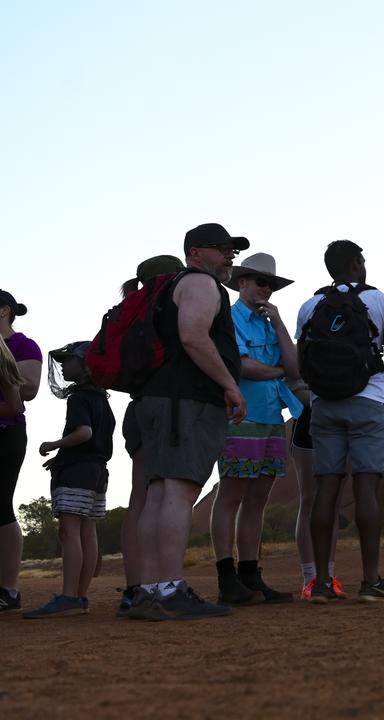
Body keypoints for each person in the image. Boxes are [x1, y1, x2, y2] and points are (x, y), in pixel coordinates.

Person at [128, 223, 248, 620]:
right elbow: (194, 336)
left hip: (159, 399)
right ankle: (170, 589)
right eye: (222, 249)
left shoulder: (168, 288)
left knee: (159, 493)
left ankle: (148, 590)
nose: (230, 256)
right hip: (187, 402)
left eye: (232, 249)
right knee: (177, 493)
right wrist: (230, 385)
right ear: (196, 252)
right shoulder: (200, 283)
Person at [298, 239, 384, 603]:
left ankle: (323, 583)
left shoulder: (310, 306)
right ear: (357, 264)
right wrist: (373, 385)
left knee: (325, 489)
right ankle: (371, 580)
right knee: (365, 489)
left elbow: (303, 364)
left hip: (324, 405)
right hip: (369, 403)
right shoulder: (381, 301)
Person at [210, 253, 301, 605]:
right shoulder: (230, 318)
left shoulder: (269, 322)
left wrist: (279, 325)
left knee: (258, 499)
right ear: (242, 282)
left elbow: (293, 367)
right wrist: (277, 370)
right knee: (232, 493)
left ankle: (250, 574)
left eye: (271, 284)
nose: (266, 288)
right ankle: (225, 575)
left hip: (271, 418)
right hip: (240, 416)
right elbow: (243, 366)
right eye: (260, 281)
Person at [114, 256, 185, 616]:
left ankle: (135, 587)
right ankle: (154, 587)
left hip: (136, 408)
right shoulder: (163, 311)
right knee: (157, 494)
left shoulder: (130, 313)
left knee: (139, 498)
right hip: (162, 409)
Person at [23, 341, 114, 618]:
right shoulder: (101, 399)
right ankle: (80, 596)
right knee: (88, 531)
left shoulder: (78, 398)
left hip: (77, 471)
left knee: (69, 532)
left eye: (68, 360)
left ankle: (68, 597)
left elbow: (84, 433)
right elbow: (95, 439)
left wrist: (54, 444)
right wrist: (61, 454)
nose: (63, 364)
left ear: (85, 365)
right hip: (97, 471)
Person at [0, 288, 40, 612]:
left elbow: (29, 390)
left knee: (1, 504)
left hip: (7, 431)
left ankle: (8, 589)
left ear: (3, 311)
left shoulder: (24, 346)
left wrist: (5, 371)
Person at [290, 383, 350, 600]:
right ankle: (310, 578)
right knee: (309, 499)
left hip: (343, 420)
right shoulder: (306, 348)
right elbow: (294, 381)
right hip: (310, 421)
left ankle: (328, 577)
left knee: (333, 502)